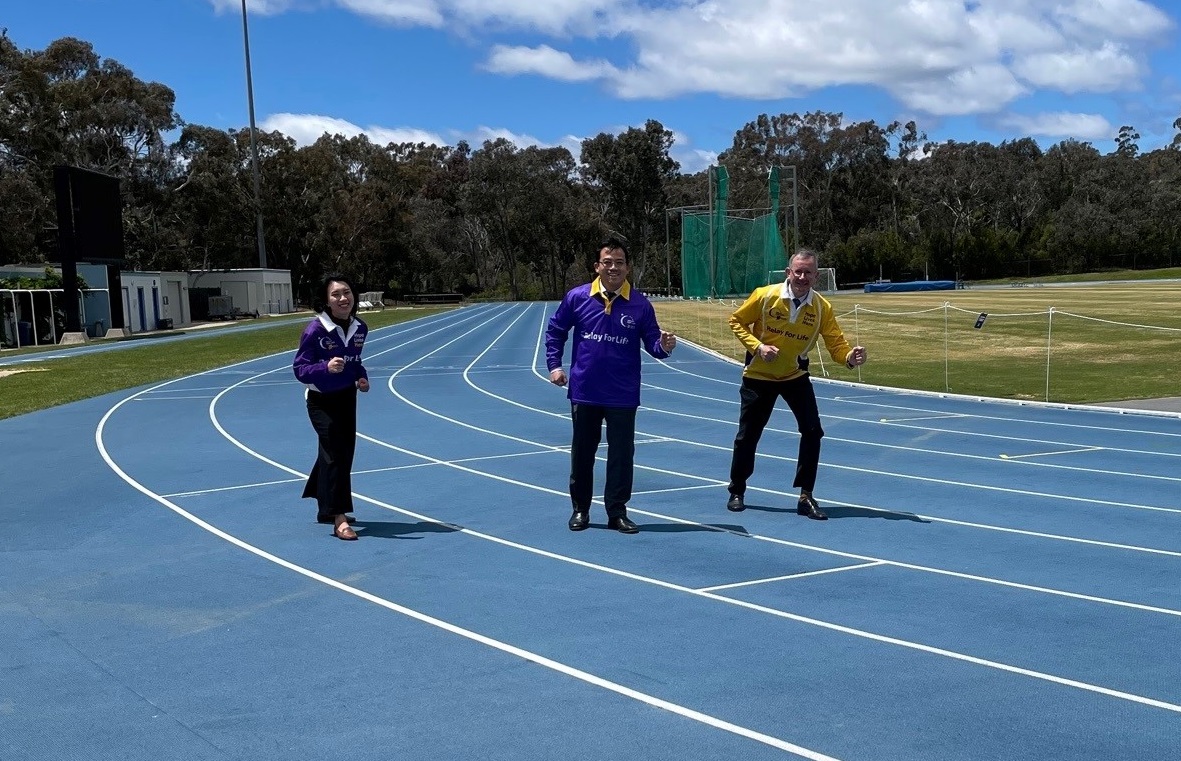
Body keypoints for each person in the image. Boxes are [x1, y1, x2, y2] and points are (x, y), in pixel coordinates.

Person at [545, 238, 677, 534]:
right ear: (597, 267)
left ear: (628, 268)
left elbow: (653, 344)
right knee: (582, 453)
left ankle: (617, 512)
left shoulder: (641, 304)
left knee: (621, 455)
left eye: (619, 262)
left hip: (622, 394)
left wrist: (664, 346)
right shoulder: (578, 297)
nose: (613, 267)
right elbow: (556, 331)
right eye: (607, 262)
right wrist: (554, 365)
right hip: (585, 390)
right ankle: (580, 509)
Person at [725, 249, 867, 519]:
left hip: (794, 375)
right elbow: (736, 320)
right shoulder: (765, 295)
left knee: (813, 431)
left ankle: (806, 496)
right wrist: (758, 347)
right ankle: (737, 489)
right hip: (759, 376)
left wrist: (850, 357)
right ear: (788, 272)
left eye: (808, 272)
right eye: (798, 271)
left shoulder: (822, 307)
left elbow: (836, 344)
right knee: (748, 436)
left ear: (816, 276)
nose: (802, 277)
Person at [293, 273, 370, 540]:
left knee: (341, 452)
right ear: (326, 300)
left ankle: (325, 508)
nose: (342, 298)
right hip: (320, 401)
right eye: (336, 294)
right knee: (335, 452)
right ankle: (339, 517)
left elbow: (355, 361)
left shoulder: (360, 328)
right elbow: (300, 369)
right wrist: (324, 368)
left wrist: (361, 376)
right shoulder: (315, 330)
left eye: (346, 292)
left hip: (347, 397)